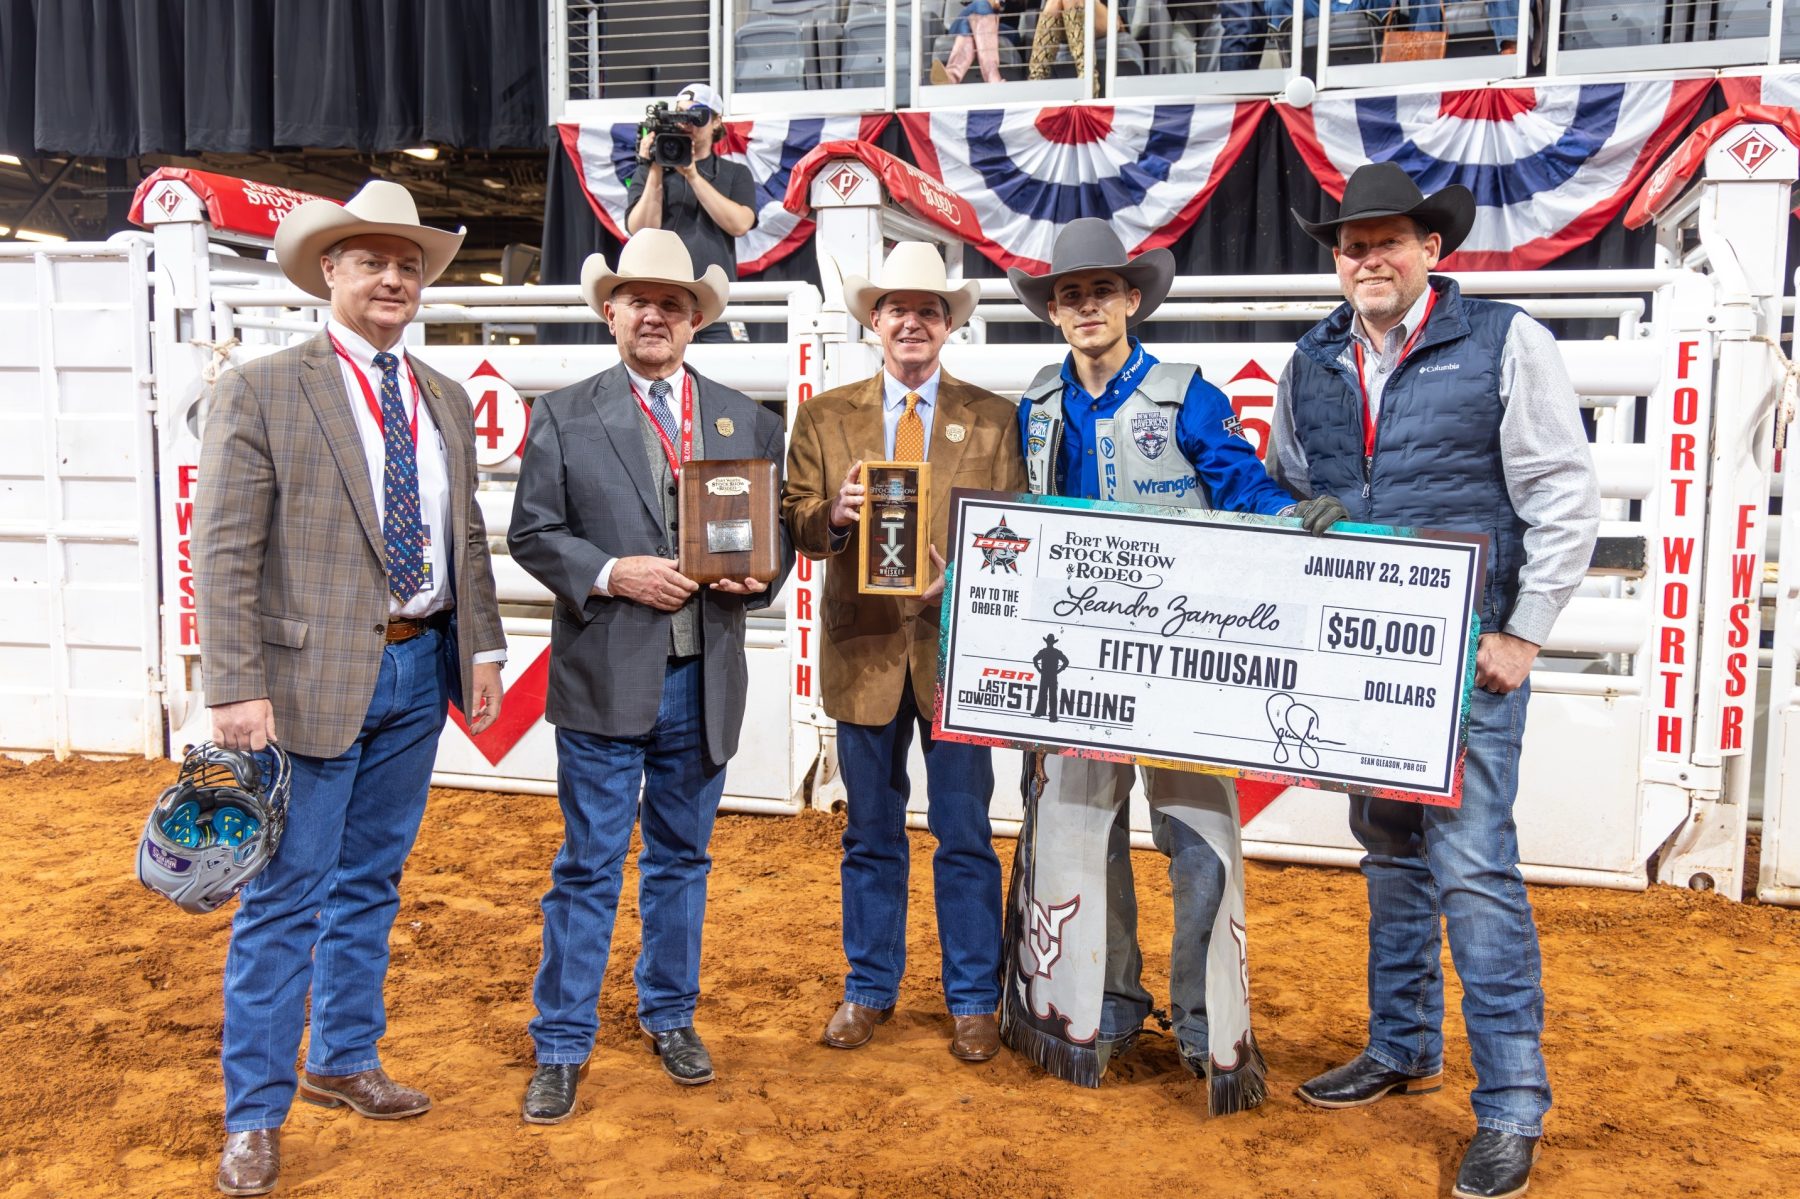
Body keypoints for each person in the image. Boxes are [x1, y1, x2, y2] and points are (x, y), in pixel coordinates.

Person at [1272, 161, 1600, 1199]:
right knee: (1390, 848)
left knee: (1471, 865)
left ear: (1432, 251)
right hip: (1362, 651)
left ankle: (1510, 1104)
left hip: (1468, 655)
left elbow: (1561, 491)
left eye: (1387, 242)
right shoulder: (1313, 358)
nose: (1367, 258)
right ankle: (1402, 1043)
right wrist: (1300, 516)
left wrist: (1526, 632)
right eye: (1351, 245)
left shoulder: (1508, 342)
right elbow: (1288, 477)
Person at [195, 180, 507, 1197]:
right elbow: (226, 548)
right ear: (328, 270)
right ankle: (253, 1112)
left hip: (420, 662)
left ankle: (342, 1054)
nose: (393, 276)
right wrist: (235, 683)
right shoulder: (263, 386)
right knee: (286, 895)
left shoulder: (443, 397)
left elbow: (464, 538)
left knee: (371, 877)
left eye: (408, 262)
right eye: (371, 258)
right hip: (302, 682)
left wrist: (487, 647)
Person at [1000, 218, 1342, 1110]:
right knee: (1083, 834)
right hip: (1073, 661)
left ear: (1133, 300)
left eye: (1100, 292)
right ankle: (1107, 1003)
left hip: (1180, 663)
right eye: (1070, 295)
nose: (1085, 307)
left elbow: (1241, 484)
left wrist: (1291, 517)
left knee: (1196, 836)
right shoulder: (1036, 402)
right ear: (1055, 311)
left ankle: (1201, 1018)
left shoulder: (1187, 395)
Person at [508, 228, 793, 1123]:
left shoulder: (746, 420)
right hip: (606, 672)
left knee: (682, 858)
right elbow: (533, 534)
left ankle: (670, 1013)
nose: (656, 315)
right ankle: (561, 1041)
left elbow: (771, 544)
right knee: (589, 863)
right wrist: (610, 571)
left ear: (695, 319)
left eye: (673, 303)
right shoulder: (562, 413)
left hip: (701, 676)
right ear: (611, 311)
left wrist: (762, 574)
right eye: (640, 300)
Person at [783, 242, 1027, 1063]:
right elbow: (795, 523)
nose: (914, 321)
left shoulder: (995, 419)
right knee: (870, 833)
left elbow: (1018, 531)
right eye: (898, 309)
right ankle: (869, 987)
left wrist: (960, 577)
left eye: (930, 309)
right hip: (863, 653)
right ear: (874, 323)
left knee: (965, 830)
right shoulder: (823, 417)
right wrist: (838, 515)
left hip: (956, 653)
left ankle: (971, 999)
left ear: (950, 324)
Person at [625, 83, 756, 344]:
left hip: (717, 302)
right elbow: (640, 229)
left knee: (727, 373)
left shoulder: (735, 173)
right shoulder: (652, 172)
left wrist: (693, 176)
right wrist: (655, 169)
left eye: (695, 116)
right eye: (679, 115)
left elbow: (740, 224)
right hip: (663, 303)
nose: (686, 123)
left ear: (717, 122)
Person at [932, 0, 1008, 84]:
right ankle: (993, 77)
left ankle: (951, 77)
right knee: (981, 6)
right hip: (964, 24)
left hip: (999, 28)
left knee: (970, 24)